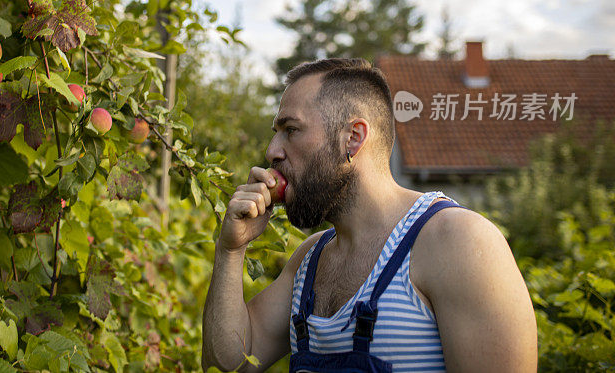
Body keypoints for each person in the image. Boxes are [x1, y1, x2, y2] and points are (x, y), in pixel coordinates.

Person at [201, 58, 537, 372]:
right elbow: (229, 364)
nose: (272, 150)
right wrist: (231, 249)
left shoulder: (457, 241)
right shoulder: (309, 260)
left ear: (353, 138)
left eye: (290, 129)